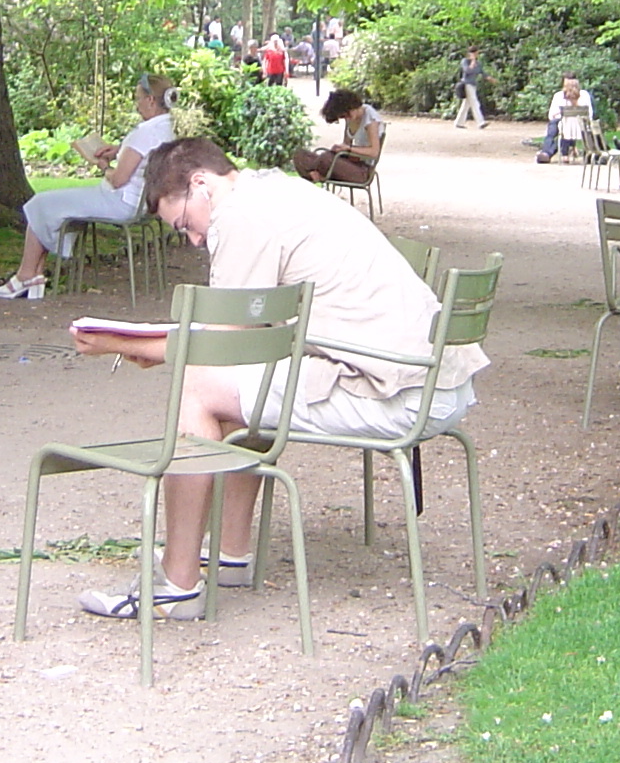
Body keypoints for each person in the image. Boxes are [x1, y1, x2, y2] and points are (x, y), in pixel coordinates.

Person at [69, 139, 489, 620]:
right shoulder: (276, 190)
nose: (194, 240)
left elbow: (225, 343)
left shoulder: (240, 215)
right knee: (253, 379)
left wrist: (121, 343)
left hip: (398, 392)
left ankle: (176, 585)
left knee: (201, 385)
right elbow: (252, 343)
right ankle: (228, 554)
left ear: (200, 184)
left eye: (184, 224)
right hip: (435, 381)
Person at [0, 75, 178, 301]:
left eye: (138, 98)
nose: (136, 104)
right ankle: (33, 276)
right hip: (141, 203)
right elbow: (141, 157)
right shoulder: (165, 130)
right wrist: (117, 150)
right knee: (50, 205)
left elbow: (118, 179)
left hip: (120, 201)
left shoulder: (144, 133)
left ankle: (25, 275)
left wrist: (100, 165)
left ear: (150, 100)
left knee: (40, 202)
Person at [295, 87, 386, 185]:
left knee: (326, 158)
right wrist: (340, 149)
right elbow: (346, 144)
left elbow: (374, 152)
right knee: (300, 154)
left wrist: (349, 149)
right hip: (350, 162)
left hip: (363, 171)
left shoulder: (370, 118)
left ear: (351, 106)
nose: (346, 118)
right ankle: (315, 174)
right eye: (343, 117)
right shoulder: (350, 119)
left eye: (346, 114)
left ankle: (314, 174)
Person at [537, 75, 594, 162]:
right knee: (557, 125)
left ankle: (548, 153)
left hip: (566, 127)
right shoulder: (560, 96)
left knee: (557, 126)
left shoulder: (584, 95)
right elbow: (590, 114)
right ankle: (553, 153)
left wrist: (562, 113)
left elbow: (551, 115)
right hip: (580, 127)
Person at [452, 48, 489, 128]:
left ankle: (459, 123)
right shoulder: (465, 61)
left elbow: (482, 72)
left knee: (466, 105)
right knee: (475, 102)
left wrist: (490, 78)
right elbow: (467, 71)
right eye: (475, 53)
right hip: (467, 84)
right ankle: (480, 122)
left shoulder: (478, 63)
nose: (476, 55)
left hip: (473, 85)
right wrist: (472, 61)